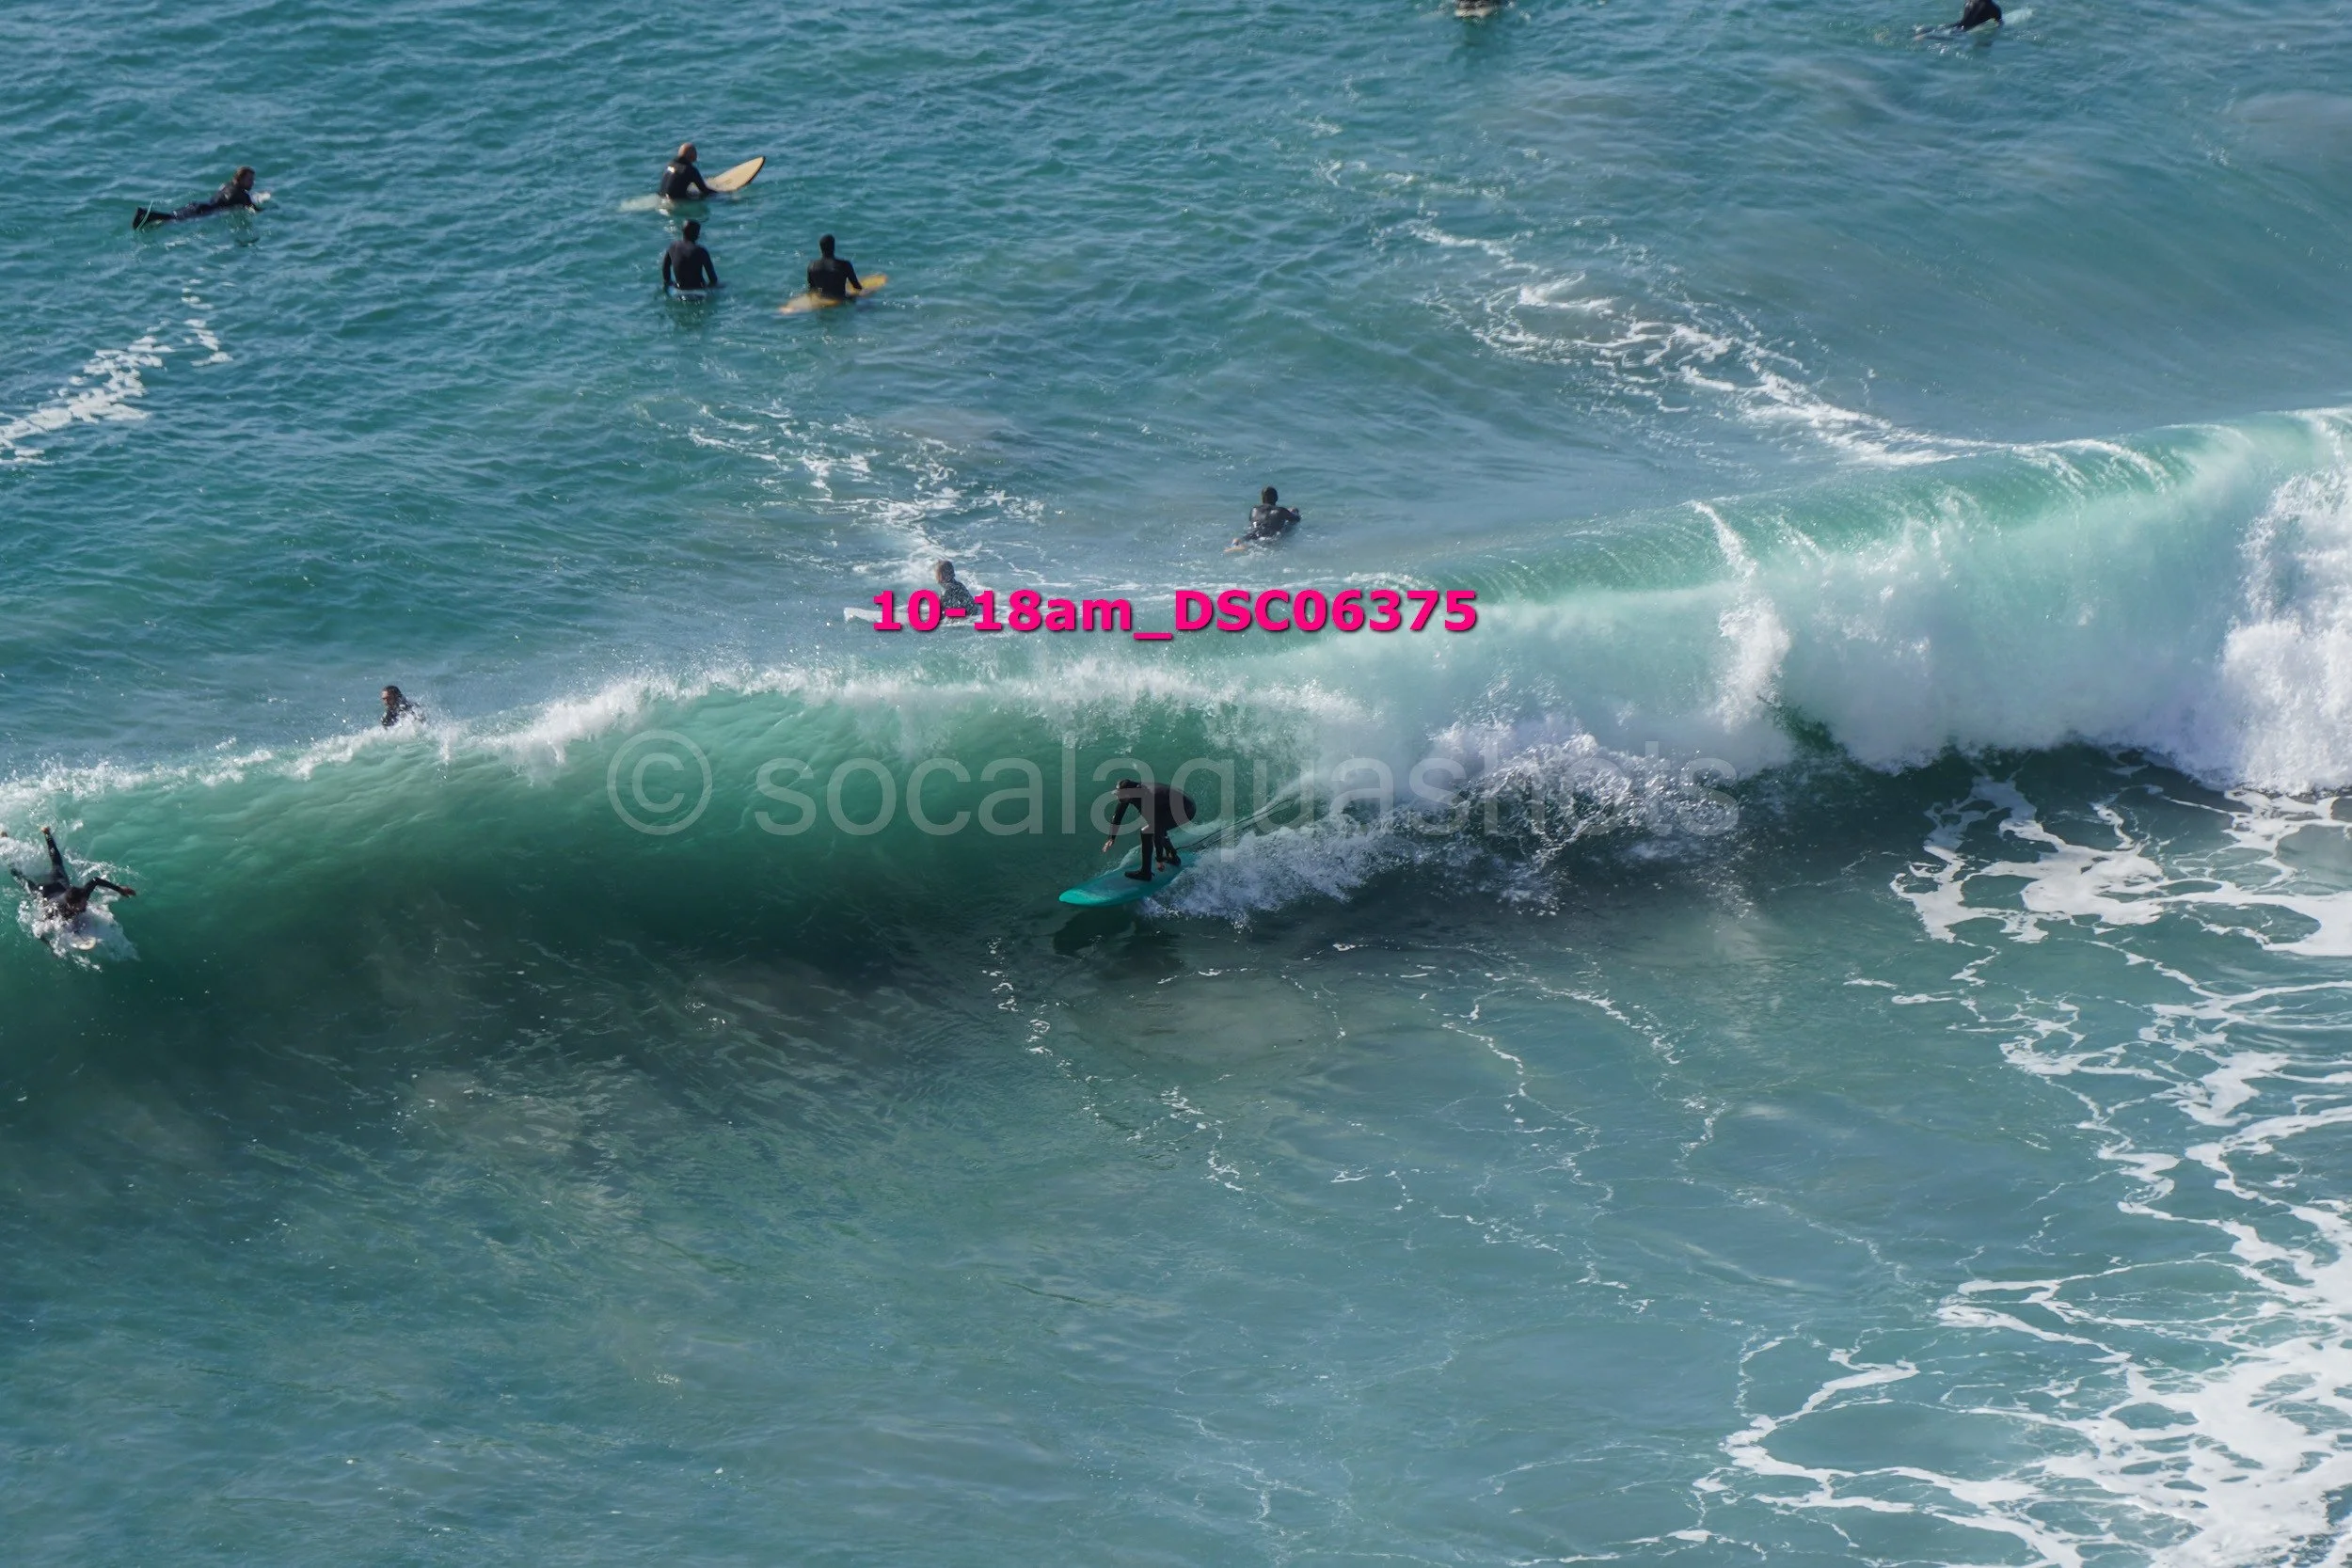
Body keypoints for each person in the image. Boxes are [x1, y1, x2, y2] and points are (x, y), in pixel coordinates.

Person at [8, 827, 135, 925]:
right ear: (70, 905)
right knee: (24, 882)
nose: (85, 905)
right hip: (46, 892)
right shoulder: (57, 909)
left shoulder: (83, 894)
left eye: (84, 902)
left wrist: (119, 889)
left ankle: (47, 834)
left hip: (61, 885)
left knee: (57, 863)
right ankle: (9, 860)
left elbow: (95, 880)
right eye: (81, 905)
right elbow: (39, 928)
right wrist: (50, 945)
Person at [1104, 779, 1198, 881]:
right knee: (1155, 825)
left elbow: (1158, 831)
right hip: (1171, 806)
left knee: (1147, 831)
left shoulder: (1148, 799)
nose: (1117, 796)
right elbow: (1118, 814)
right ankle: (1173, 857)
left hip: (1186, 809)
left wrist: (1159, 860)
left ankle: (1145, 873)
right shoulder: (1128, 794)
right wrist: (1111, 837)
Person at [134, 166, 258, 230]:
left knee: (172, 216)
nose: (252, 183)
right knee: (174, 219)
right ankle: (145, 215)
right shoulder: (242, 195)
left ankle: (146, 217)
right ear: (240, 179)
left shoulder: (227, 185)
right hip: (204, 211)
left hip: (198, 205)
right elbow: (254, 210)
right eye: (250, 180)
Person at [1232, 486, 1301, 548]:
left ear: (1262, 499)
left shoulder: (1254, 509)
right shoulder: (1280, 511)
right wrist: (1294, 511)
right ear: (1276, 498)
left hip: (1253, 534)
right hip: (1269, 536)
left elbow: (1253, 522)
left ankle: (1235, 545)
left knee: (1243, 538)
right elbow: (1296, 519)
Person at [662, 220, 719, 293]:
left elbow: (665, 268)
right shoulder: (700, 250)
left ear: (682, 231)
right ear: (697, 234)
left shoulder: (673, 246)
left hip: (679, 288)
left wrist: (669, 283)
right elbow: (713, 278)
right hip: (698, 289)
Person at [806, 235, 862, 301]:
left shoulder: (812, 266)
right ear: (833, 247)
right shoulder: (844, 265)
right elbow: (857, 287)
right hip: (841, 299)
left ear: (820, 248)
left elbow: (812, 290)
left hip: (823, 300)